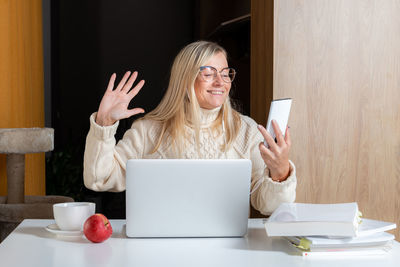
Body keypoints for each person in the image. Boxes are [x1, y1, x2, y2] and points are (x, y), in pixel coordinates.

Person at [83, 41, 296, 215]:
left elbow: (269, 207)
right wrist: (104, 124)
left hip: (227, 250)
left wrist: (280, 173)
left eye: (225, 73)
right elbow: (99, 179)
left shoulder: (246, 130)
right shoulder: (148, 130)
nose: (220, 82)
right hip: (160, 246)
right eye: (209, 73)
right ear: (185, 79)